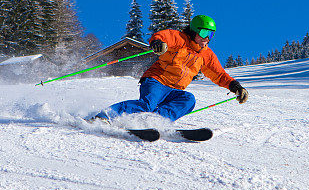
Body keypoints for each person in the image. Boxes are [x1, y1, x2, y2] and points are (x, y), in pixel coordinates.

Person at [90, 15, 248, 121]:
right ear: (194, 31)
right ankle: (105, 116)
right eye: (204, 32)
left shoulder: (206, 55)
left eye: (211, 34)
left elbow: (219, 75)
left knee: (188, 99)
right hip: (156, 81)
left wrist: (235, 86)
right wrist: (158, 43)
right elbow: (162, 36)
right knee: (147, 104)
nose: (207, 38)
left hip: (174, 90)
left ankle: (153, 121)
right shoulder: (180, 39)